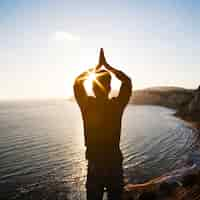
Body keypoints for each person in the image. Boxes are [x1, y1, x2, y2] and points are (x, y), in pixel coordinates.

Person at [73, 48, 132, 200]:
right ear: (110, 88)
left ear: (93, 87)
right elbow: (127, 81)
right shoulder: (116, 106)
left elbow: (77, 83)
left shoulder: (87, 106)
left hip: (95, 163)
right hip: (114, 162)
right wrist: (108, 67)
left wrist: (95, 68)